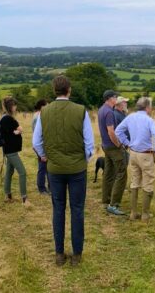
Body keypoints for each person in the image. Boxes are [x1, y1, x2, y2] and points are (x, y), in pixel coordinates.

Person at [33, 75, 94, 267]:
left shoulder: (44, 112)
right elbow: (89, 144)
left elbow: (36, 142)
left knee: (58, 209)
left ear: (54, 91)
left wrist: (45, 156)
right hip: (77, 170)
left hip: (55, 169)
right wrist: (82, 160)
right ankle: (77, 255)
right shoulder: (80, 111)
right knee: (77, 210)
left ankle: (59, 254)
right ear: (69, 90)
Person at [115, 96, 155, 222]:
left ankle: (133, 213)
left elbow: (118, 131)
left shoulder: (130, 117)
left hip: (133, 153)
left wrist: (127, 143)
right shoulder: (149, 120)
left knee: (135, 181)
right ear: (147, 107)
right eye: (150, 106)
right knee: (148, 182)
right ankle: (145, 215)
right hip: (146, 154)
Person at [98, 90, 126, 216]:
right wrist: (118, 144)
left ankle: (105, 201)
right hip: (113, 147)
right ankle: (114, 204)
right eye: (115, 97)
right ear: (110, 98)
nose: (116, 99)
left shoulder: (101, 109)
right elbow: (111, 131)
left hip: (105, 146)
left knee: (108, 173)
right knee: (121, 172)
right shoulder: (109, 112)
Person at [0, 96, 29, 205]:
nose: (16, 107)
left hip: (8, 150)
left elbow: (14, 131)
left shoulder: (4, 117)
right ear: (11, 106)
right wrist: (18, 131)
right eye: (14, 105)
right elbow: (20, 128)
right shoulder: (8, 118)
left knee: (9, 172)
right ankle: (24, 199)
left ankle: (7, 196)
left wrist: (17, 132)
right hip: (11, 151)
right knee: (22, 172)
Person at [32, 99, 49, 195]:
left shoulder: (38, 115)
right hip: (40, 145)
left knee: (45, 167)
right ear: (42, 106)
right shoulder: (38, 116)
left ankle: (47, 187)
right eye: (47, 105)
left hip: (41, 145)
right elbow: (37, 134)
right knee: (42, 167)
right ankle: (41, 188)